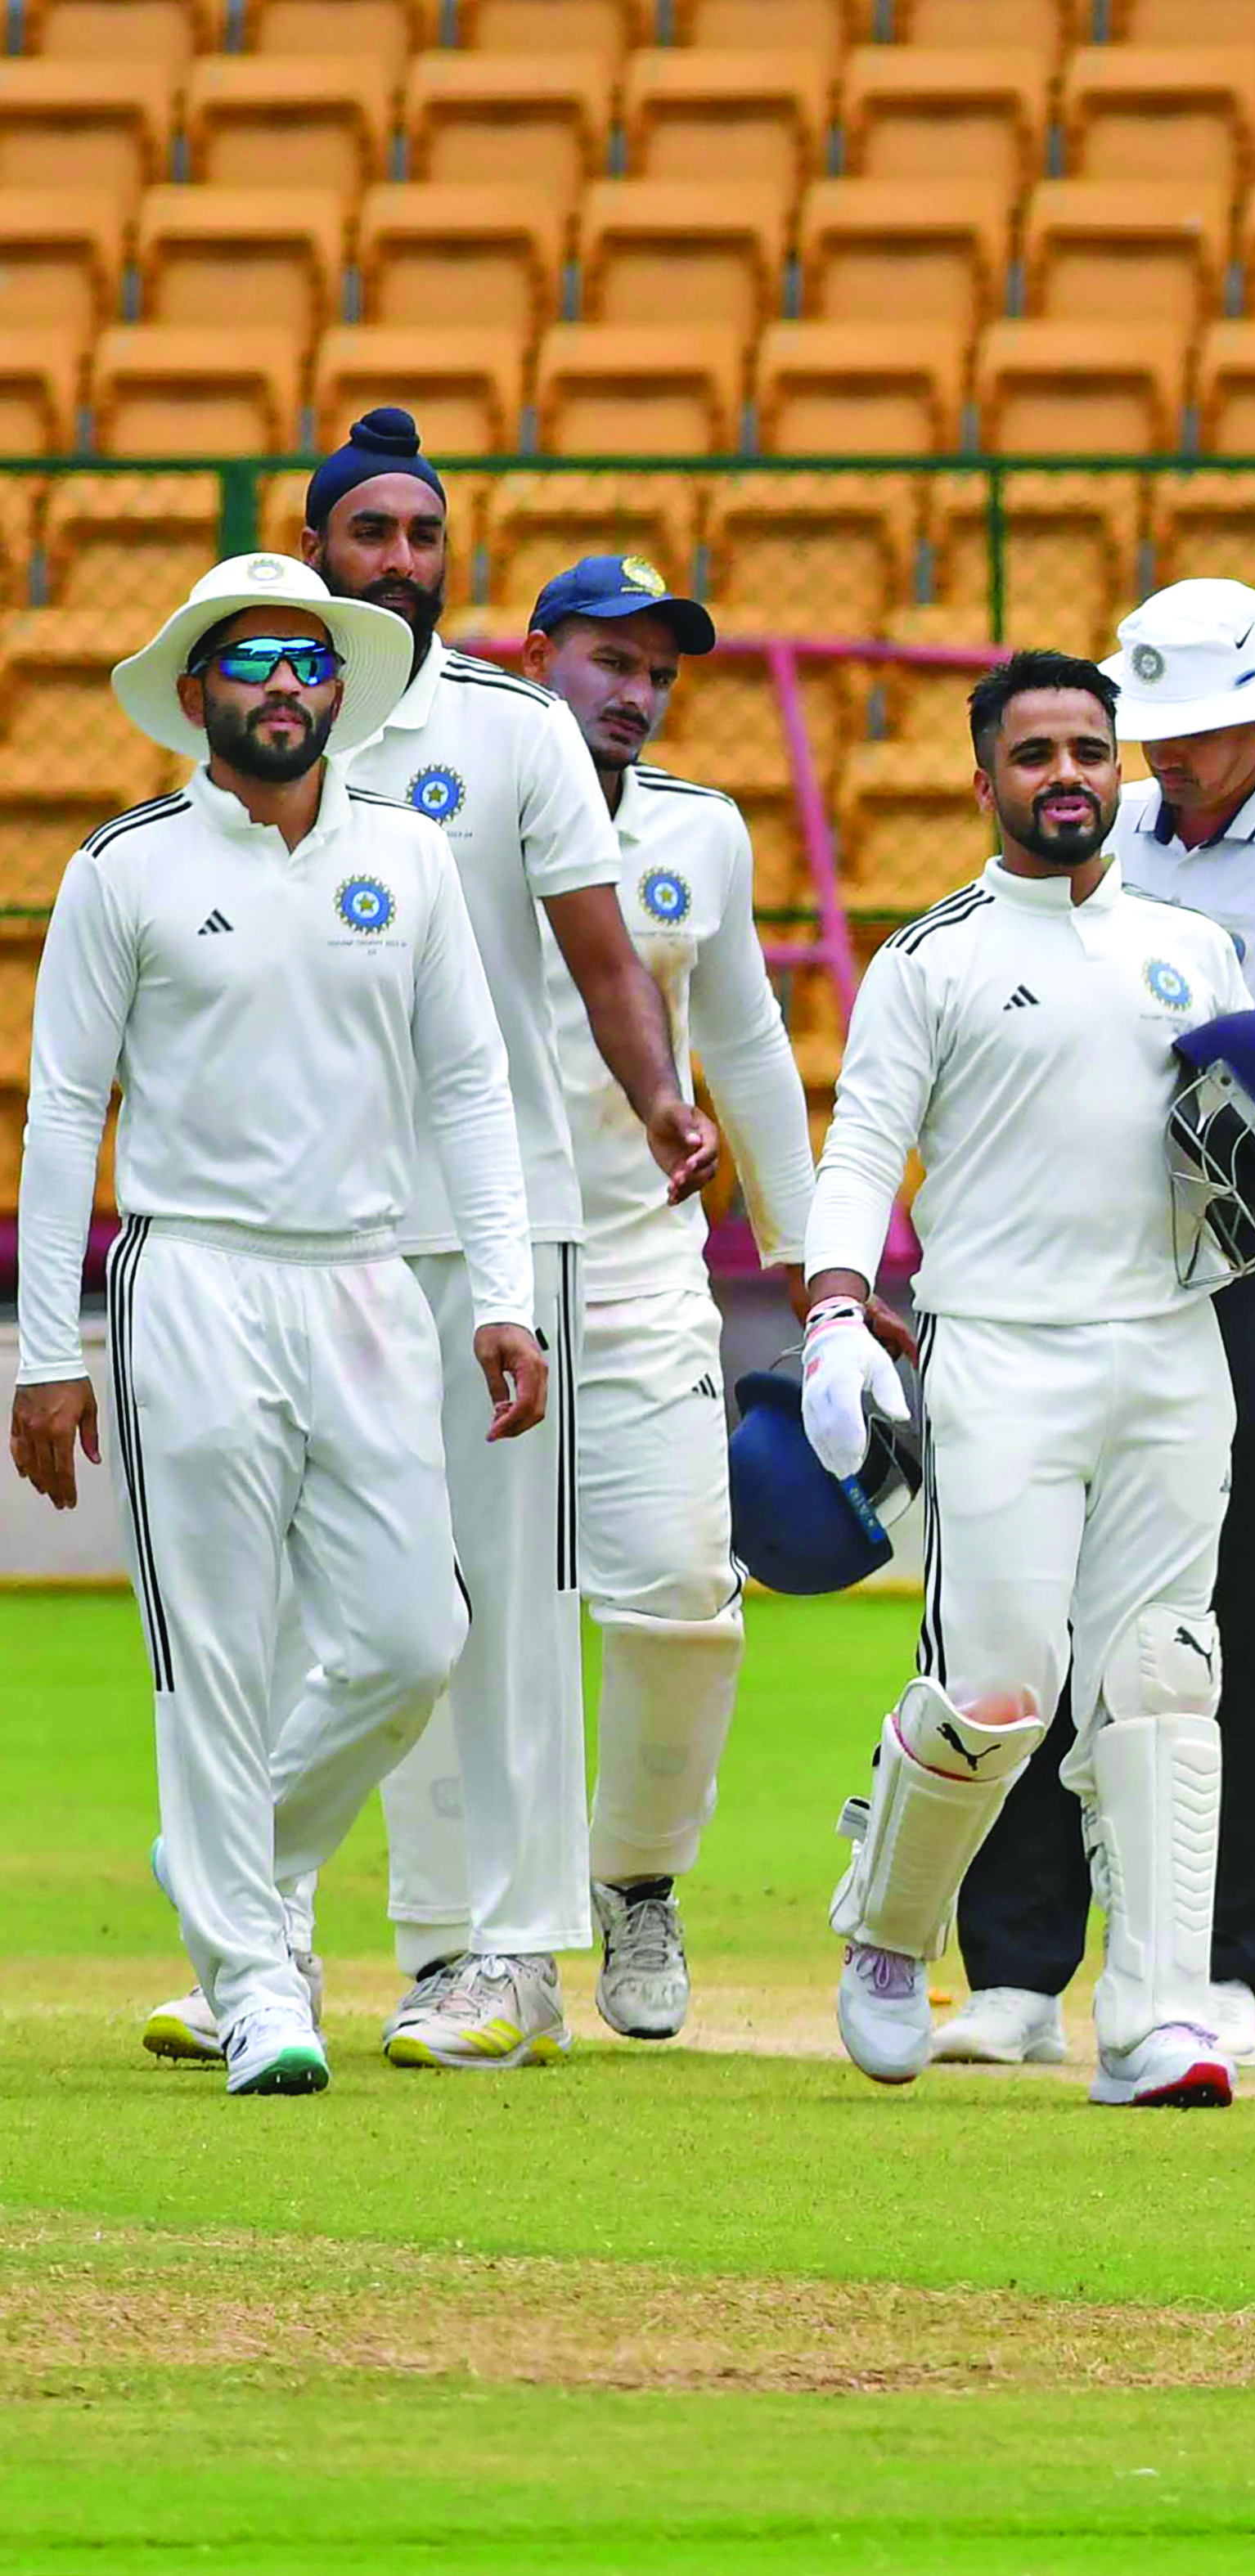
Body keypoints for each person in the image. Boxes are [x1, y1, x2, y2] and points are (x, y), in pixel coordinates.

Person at [13, 555, 542, 2094]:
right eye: (251, 662)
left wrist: (498, 1296)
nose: (286, 686)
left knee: (409, 1633)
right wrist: (53, 1353)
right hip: (192, 1279)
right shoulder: (127, 868)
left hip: (370, 1276)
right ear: (196, 696)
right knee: (219, 1654)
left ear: (342, 690)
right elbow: (62, 1115)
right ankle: (255, 1979)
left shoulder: (411, 862)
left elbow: (470, 1090)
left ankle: (225, 1866)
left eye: (310, 661)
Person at [938, 575, 1255, 2075]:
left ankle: (1220, 1960)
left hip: (1251, 1265)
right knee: (1028, 1594)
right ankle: (1017, 1965)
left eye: (1200, 735)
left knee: (1224, 1606)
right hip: (1080, 1259)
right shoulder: (1111, 827)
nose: (1167, 761)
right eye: (1156, 733)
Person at [304, 408, 718, 2075]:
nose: (400, 559)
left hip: (501, 1220)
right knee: (367, 1596)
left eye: (422, 534)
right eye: (372, 534)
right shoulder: (269, 708)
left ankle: (515, 1950)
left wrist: (662, 1105)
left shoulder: (517, 729)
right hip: (313, 1226)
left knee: (515, 1602)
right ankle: (355, 1945)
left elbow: (607, 955)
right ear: (320, 543)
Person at [797, 650, 1255, 2110]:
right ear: (984, 778)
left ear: (1122, 766)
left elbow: (1238, 1158)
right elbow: (865, 1143)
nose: (1069, 775)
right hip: (998, 1349)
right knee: (1000, 1693)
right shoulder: (931, 957)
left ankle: (1156, 2017)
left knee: (1163, 1684)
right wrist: (830, 1313)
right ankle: (886, 1938)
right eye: (1037, 753)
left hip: (1173, 1353)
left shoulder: (1193, 946)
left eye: (1091, 750)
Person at [516, 556, 825, 2044]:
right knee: (453, 1608)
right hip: (474, 1258)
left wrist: (814, 1260)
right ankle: (464, 1931)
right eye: (606, 660)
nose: (632, 690)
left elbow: (751, 1046)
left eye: (657, 670)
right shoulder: (451, 802)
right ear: (539, 658)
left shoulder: (700, 830)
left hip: (643, 1261)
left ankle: (637, 1887)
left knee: (687, 1595)